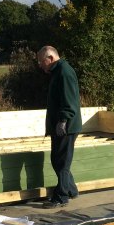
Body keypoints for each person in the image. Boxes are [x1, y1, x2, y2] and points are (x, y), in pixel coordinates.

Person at [37, 46, 82, 208]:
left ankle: (61, 196)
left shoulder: (64, 72)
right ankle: (71, 189)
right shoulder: (59, 72)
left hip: (66, 126)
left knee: (62, 161)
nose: (40, 65)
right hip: (62, 125)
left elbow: (69, 101)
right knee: (58, 159)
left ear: (50, 58)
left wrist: (63, 120)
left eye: (41, 62)